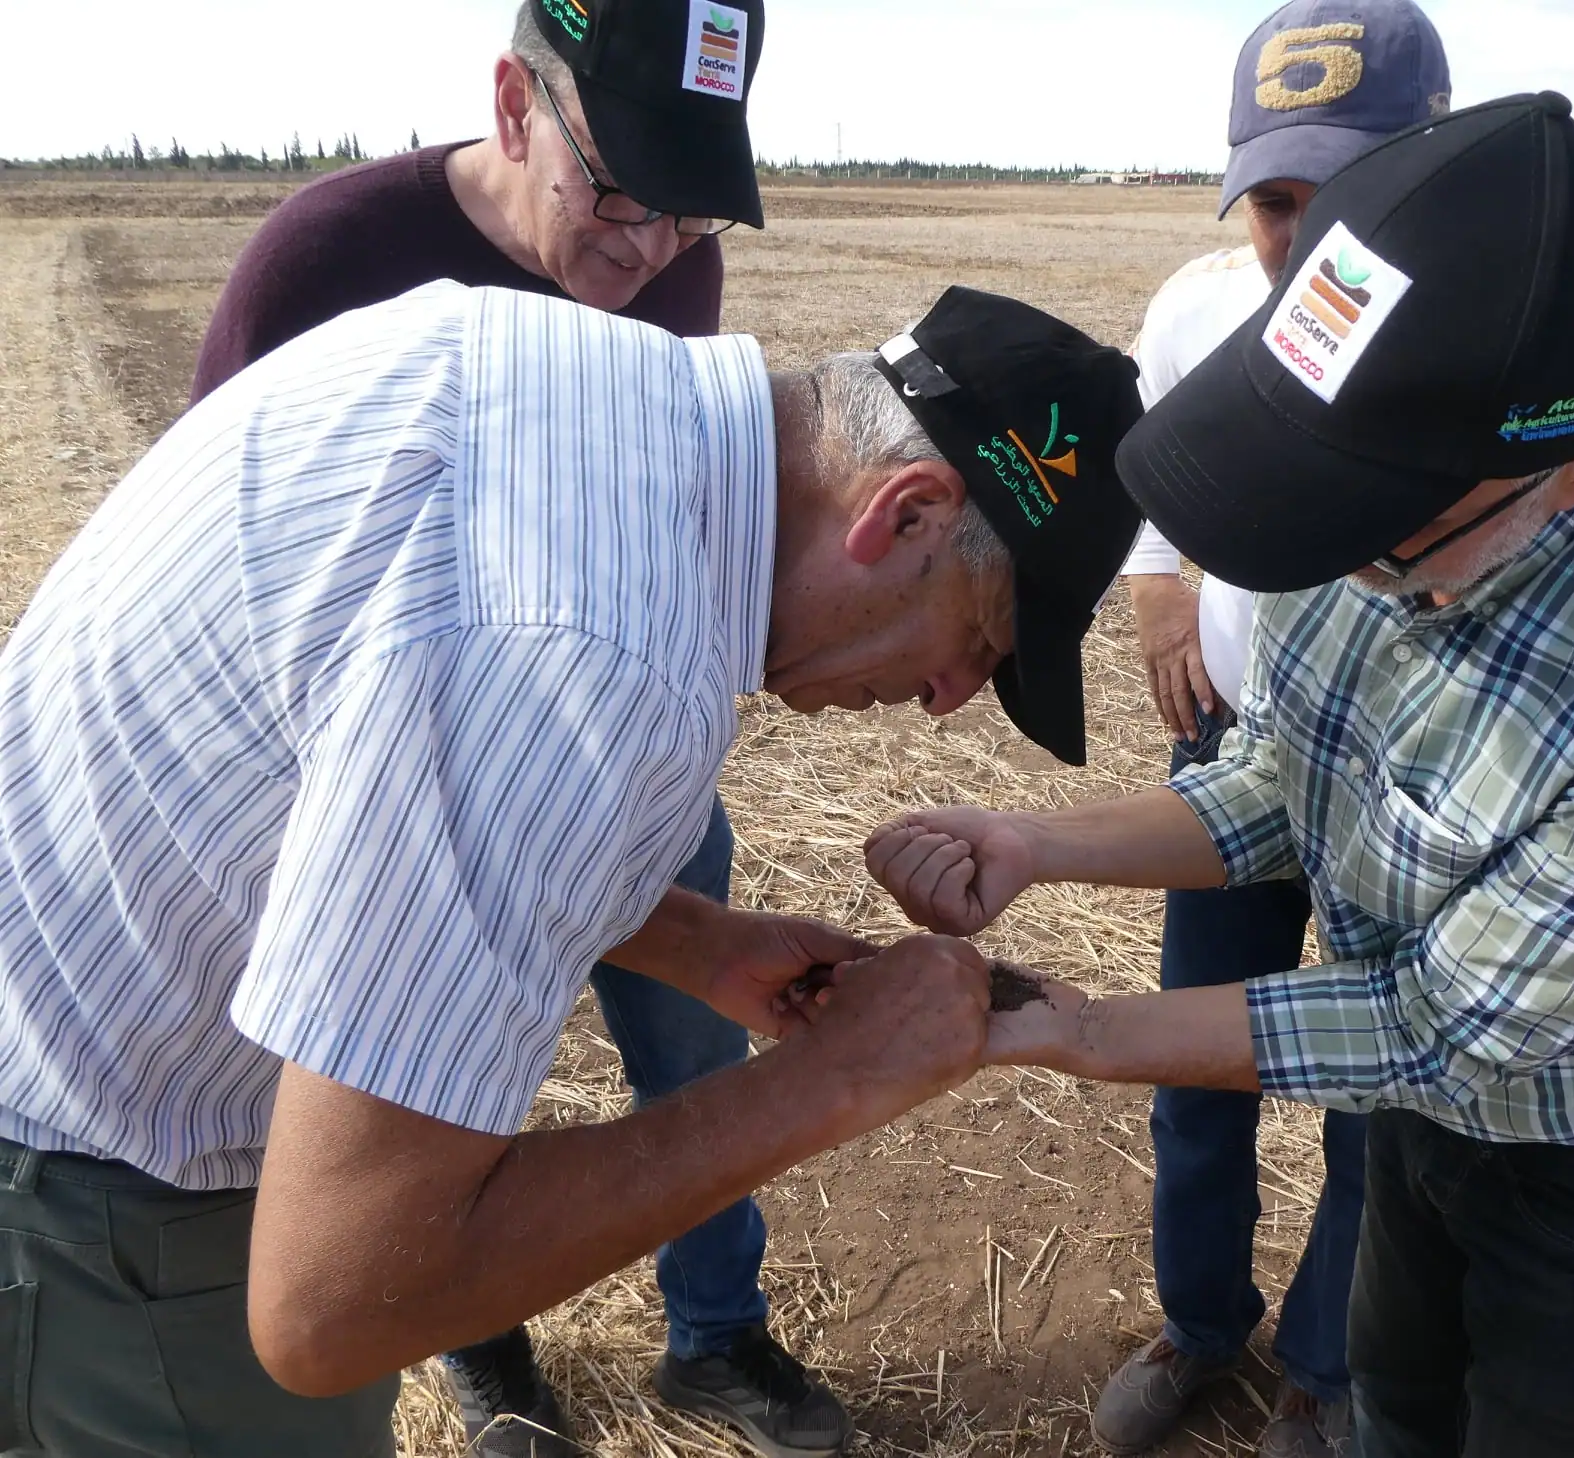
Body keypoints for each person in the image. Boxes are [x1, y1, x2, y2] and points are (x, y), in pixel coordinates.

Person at [0, 281, 1146, 1458]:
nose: (951, 697)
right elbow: (331, 1306)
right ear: (905, 515)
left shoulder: (573, 387)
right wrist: (838, 1079)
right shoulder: (597, 650)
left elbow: (365, 782)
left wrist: (699, 942)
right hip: (96, 1204)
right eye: (984, 636)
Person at [868, 94, 1574, 1458]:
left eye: (1376, 527)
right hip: (1426, 1119)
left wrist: (1080, 1030)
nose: (1332, 558)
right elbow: (1281, 783)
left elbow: (1440, 1018)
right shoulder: (1372, 496)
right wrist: (1038, 844)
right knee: (1392, 1408)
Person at [187, 2, 783, 1448]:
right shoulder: (326, 262)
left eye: (692, 206)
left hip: (612, 764)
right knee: (435, 1077)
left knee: (697, 1045)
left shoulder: (668, 273)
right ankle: (478, 1346)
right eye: (624, 188)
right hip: (382, 788)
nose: (652, 249)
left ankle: (720, 1339)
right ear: (515, 104)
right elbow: (222, 548)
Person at [1110, 5, 1448, 1452]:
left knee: (1377, 1088)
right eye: (1278, 199)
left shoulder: (1482, 339)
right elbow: (1143, 457)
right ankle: (1200, 1323)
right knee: (1201, 1053)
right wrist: (1158, 600)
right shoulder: (1197, 307)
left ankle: (1326, 1362)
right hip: (1237, 754)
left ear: (1434, 160)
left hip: (1412, 779)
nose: (1307, 238)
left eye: (1353, 192)